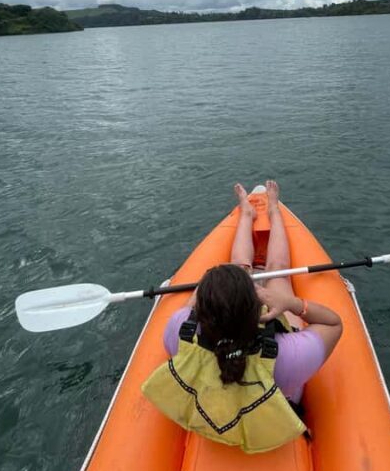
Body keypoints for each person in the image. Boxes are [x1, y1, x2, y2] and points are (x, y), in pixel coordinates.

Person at [141, 181, 342, 453]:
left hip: (219, 381)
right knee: (278, 271)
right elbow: (333, 323)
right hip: (273, 396)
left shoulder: (179, 329)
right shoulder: (289, 357)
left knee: (238, 268)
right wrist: (291, 303)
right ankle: (273, 210)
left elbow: (193, 306)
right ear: (256, 308)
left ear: (202, 311)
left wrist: (222, 284)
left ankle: (246, 214)